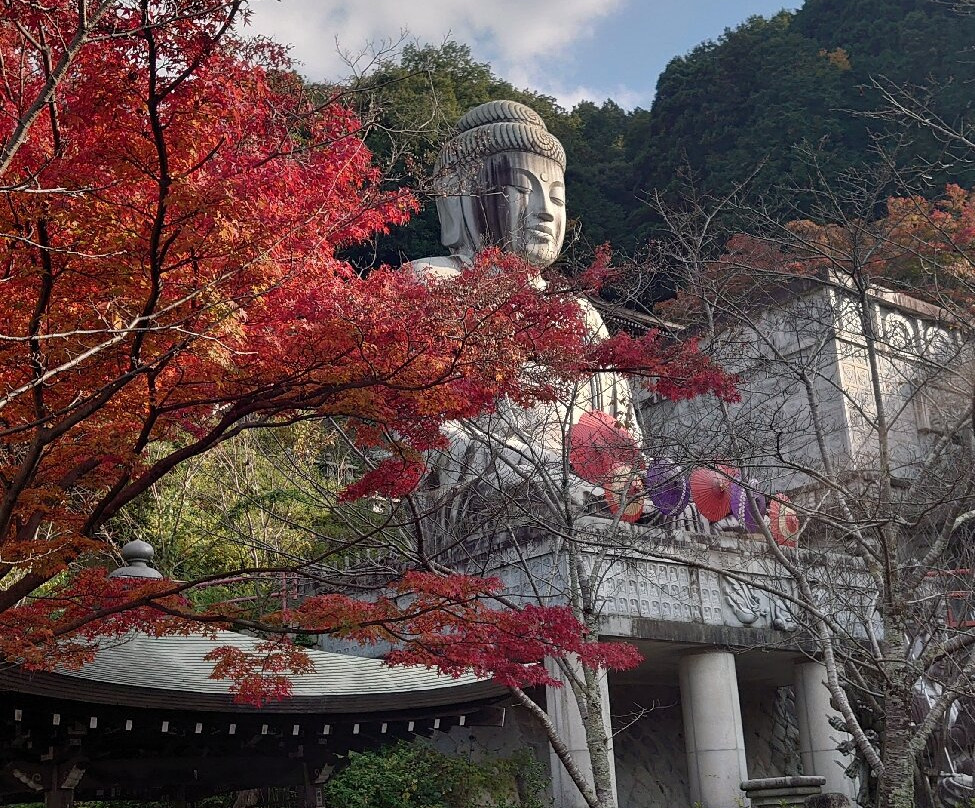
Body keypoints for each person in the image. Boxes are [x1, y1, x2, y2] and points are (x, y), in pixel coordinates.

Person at [412, 101, 643, 540]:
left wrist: (637, 484)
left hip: (582, 496)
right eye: (521, 189)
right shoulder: (435, 283)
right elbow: (424, 433)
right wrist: (534, 472)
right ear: (457, 199)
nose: (544, 210)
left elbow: (619, 438)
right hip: (483, 505)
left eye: (556, 197)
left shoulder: (582, 314)